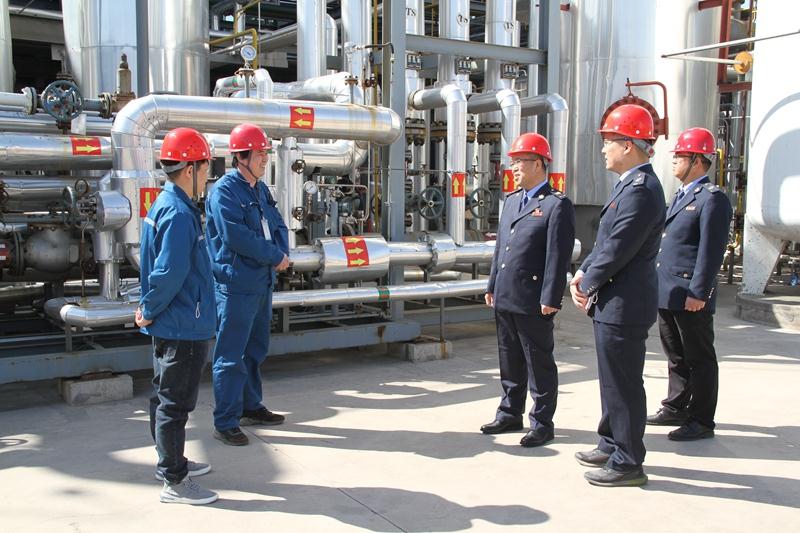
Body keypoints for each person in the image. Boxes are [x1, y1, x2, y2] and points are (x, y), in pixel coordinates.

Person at [569, 104, 666, 487]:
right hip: (614, 301)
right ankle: (610, 442)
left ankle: (628, 461)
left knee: (623, 382)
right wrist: (583, 271)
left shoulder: (641, 191)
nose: (603, 149)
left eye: (609, 141)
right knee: (612, 379)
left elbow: (618, 249)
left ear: (628, 145)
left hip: (625, 304)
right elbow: (604, 242)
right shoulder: (628, 186)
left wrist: (587, 283)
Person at [137, 127, 218, 505]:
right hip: (183, 323)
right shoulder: (180, 213)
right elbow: (168, 272)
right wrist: (149, 309)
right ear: (190, 169)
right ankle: (175, 479)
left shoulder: (167, 204)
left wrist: (150, 309)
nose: (207, 175)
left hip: (174, 319)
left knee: (164, 396)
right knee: (176, 403)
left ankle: (169, 461)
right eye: (206, 167)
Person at [482, 133, 576, 448]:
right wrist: (492, 284)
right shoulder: (511, 201)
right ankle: (510, 412)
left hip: (533, 298)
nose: (515, 168)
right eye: (514, 162)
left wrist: (552, 297)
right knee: (509, 357)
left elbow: (557, 256)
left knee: (538, 361)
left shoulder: (555, 204)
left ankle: (542, 422)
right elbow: (501, 248)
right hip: (506, 294)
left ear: (538, 164)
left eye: (520, 161)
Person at [205, 123, 290, 446]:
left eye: (266, 152)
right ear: (241, 157)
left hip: (262, 281)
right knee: (231, 355)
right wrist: (274, 255)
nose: (265, 158)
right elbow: (236, 237)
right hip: (237, 284)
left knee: (255, 350)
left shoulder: (260, 189)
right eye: (259, 153)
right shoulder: (224, 192)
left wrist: (281, 254)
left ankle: (250, 406)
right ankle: (225, 421)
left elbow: (277, 224)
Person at [647, 127, 733, 441]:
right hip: (668, 292)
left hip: (689, 295)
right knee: (676, 356)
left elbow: (711, 251)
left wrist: (700, 292)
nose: (674, 161)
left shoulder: (712, 199)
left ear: (697, 161)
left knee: (700, 358)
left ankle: (702, 420)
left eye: (680, 156)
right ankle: (676, 406)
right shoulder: (681, 195)